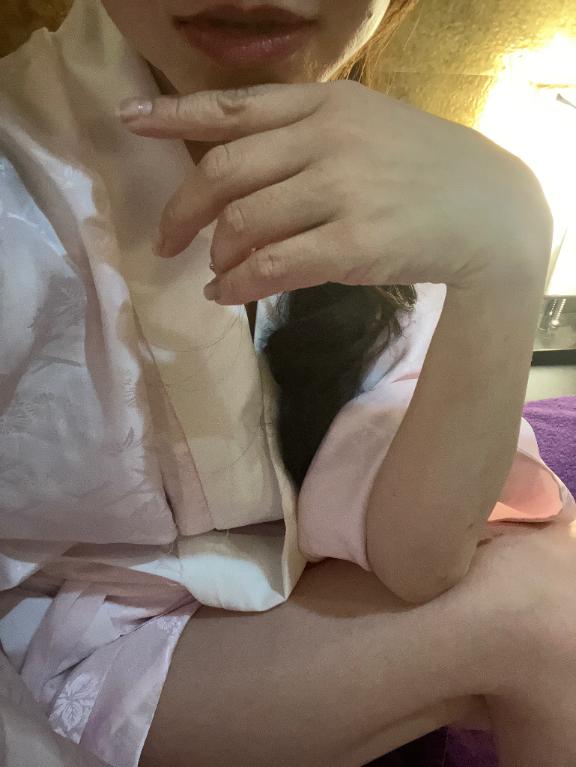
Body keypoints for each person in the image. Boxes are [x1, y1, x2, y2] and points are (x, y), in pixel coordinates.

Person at [1, 1, 576, 766]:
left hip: (245, 600)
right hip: (56, 658)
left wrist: (511, 246)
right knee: (545, 617)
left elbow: (419, 555)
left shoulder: (382, 168)